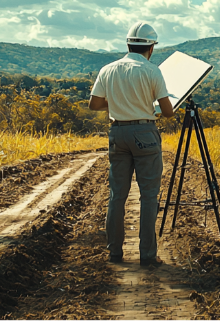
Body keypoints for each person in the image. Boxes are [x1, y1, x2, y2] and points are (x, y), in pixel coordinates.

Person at [89, 22, 174, 266]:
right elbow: (167, 112)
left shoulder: (108, 69)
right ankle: (147, 255)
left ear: (128, 44)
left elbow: (94, 105)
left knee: (117, 195)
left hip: (118, 132)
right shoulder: (152, 71)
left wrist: (117, 103)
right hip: (145, 132)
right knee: (148, 196)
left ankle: (115, 252)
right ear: (151, 48)